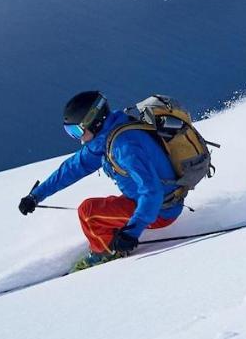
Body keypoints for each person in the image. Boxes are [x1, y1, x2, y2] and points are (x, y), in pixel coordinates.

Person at [18, 90, 183, 270]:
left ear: (94, 121)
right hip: (155, 201)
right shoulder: (108, 135)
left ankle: (105, 254)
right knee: (98, 210)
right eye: (70, 132)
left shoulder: (124, 146)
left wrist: (131, 233)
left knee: (89, 214)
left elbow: (152, 192)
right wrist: (35, 196)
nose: (77, 137)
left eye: (77, 130)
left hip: (161, 210)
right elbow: (73, 167)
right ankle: (111, 241)